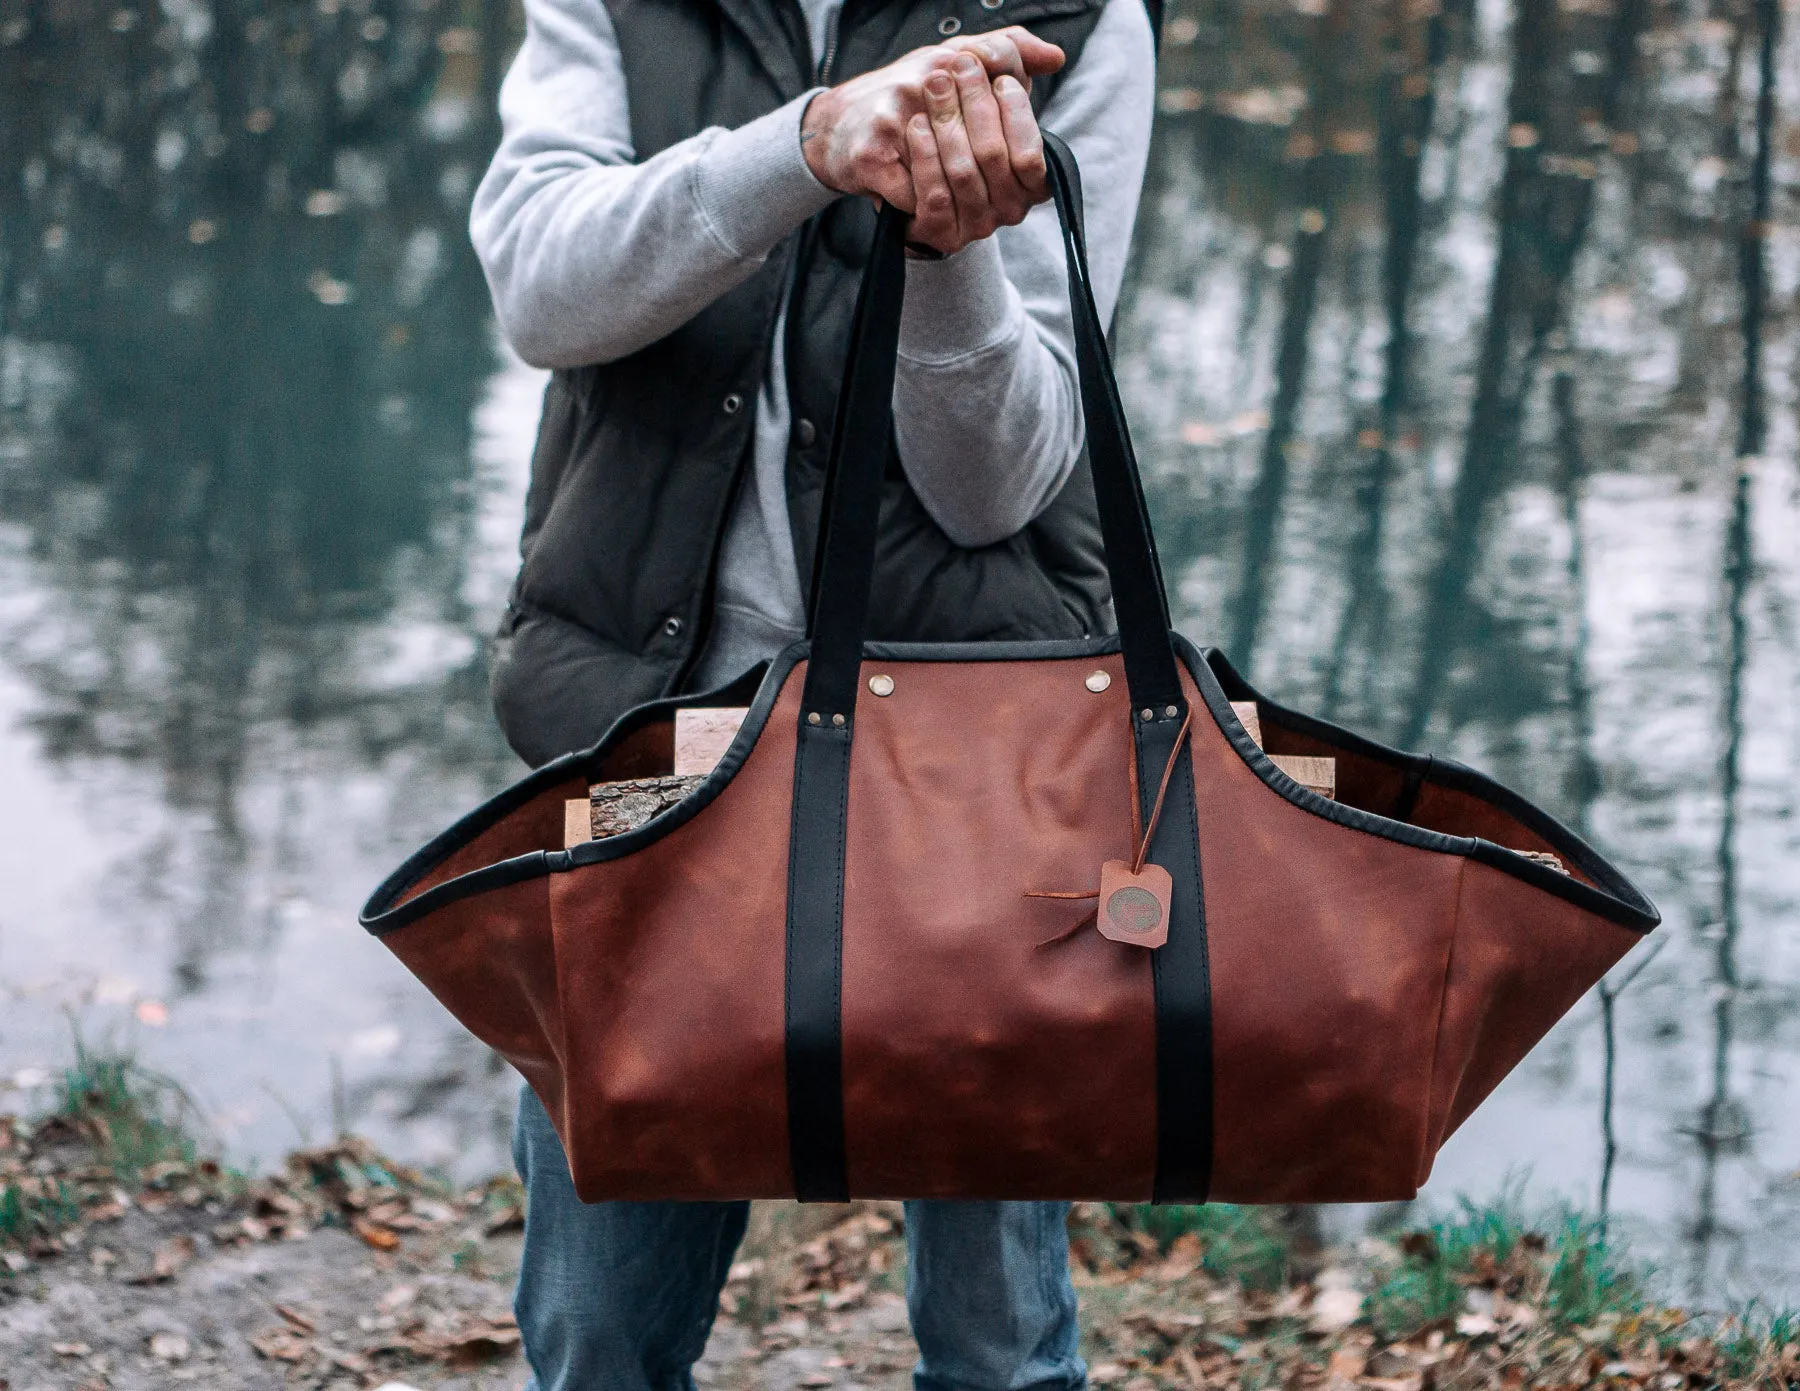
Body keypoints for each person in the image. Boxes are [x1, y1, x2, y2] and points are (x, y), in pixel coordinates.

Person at [469, 0, 1155, 1385]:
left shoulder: (1081, 21)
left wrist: (949, 254)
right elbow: (541, 293)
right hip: (650, 741)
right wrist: (803, 148)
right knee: (600, 1331)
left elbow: (1001, 487)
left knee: (997, 1345)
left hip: (977, 761)